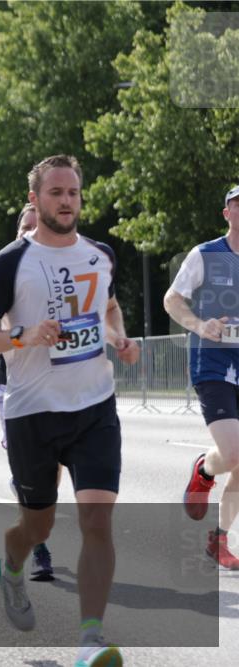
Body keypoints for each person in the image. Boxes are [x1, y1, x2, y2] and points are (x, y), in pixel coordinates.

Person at [0, 155, 139, 667]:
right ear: (35, 200)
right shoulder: (11, 261)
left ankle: (90, 638)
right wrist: (21, 334)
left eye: (74, 192)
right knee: (36, 528)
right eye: (56, 193)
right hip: (33, 412)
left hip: (94, 407)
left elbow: (106, 308)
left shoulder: (100, 254)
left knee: (97, 520)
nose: (67, 201)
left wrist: (118, 338)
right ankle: (12, 566)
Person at [166, 184, 239, 570]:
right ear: (226, 213)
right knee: (233, 454)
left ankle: (219, 539)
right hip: (213, 363)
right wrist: (199, 324)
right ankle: (204, 469)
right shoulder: (205, 255)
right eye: (237, 205)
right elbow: (172, 299)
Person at [0, 203, 55, 582]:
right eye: (24, 228)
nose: (30, 233)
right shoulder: (3, 273)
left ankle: (37, 522)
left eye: (37, 227)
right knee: (27, 467)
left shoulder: (62, 273)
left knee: (52, 466)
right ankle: (39, 544)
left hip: (56, 383)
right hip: (11, 385)